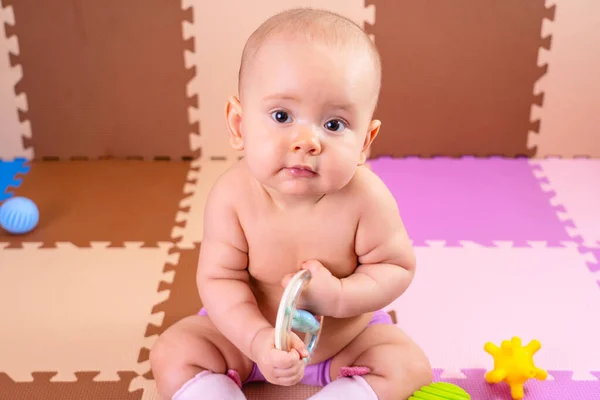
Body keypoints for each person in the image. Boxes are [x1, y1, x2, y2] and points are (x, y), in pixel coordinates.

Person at [150, 7, 432, 400]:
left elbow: (396, 267)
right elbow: (220, 280)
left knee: (408, 365)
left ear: (365, 142)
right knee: (173, 351)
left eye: (334, 125)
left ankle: (345, 393)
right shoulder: (233, 197)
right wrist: (256, 339)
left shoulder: (367, 199)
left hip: (345, 343)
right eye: (282, 115)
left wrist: (339, 297)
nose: (307, 142)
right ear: (239, 125)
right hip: (245, 341)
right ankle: (215, 392)